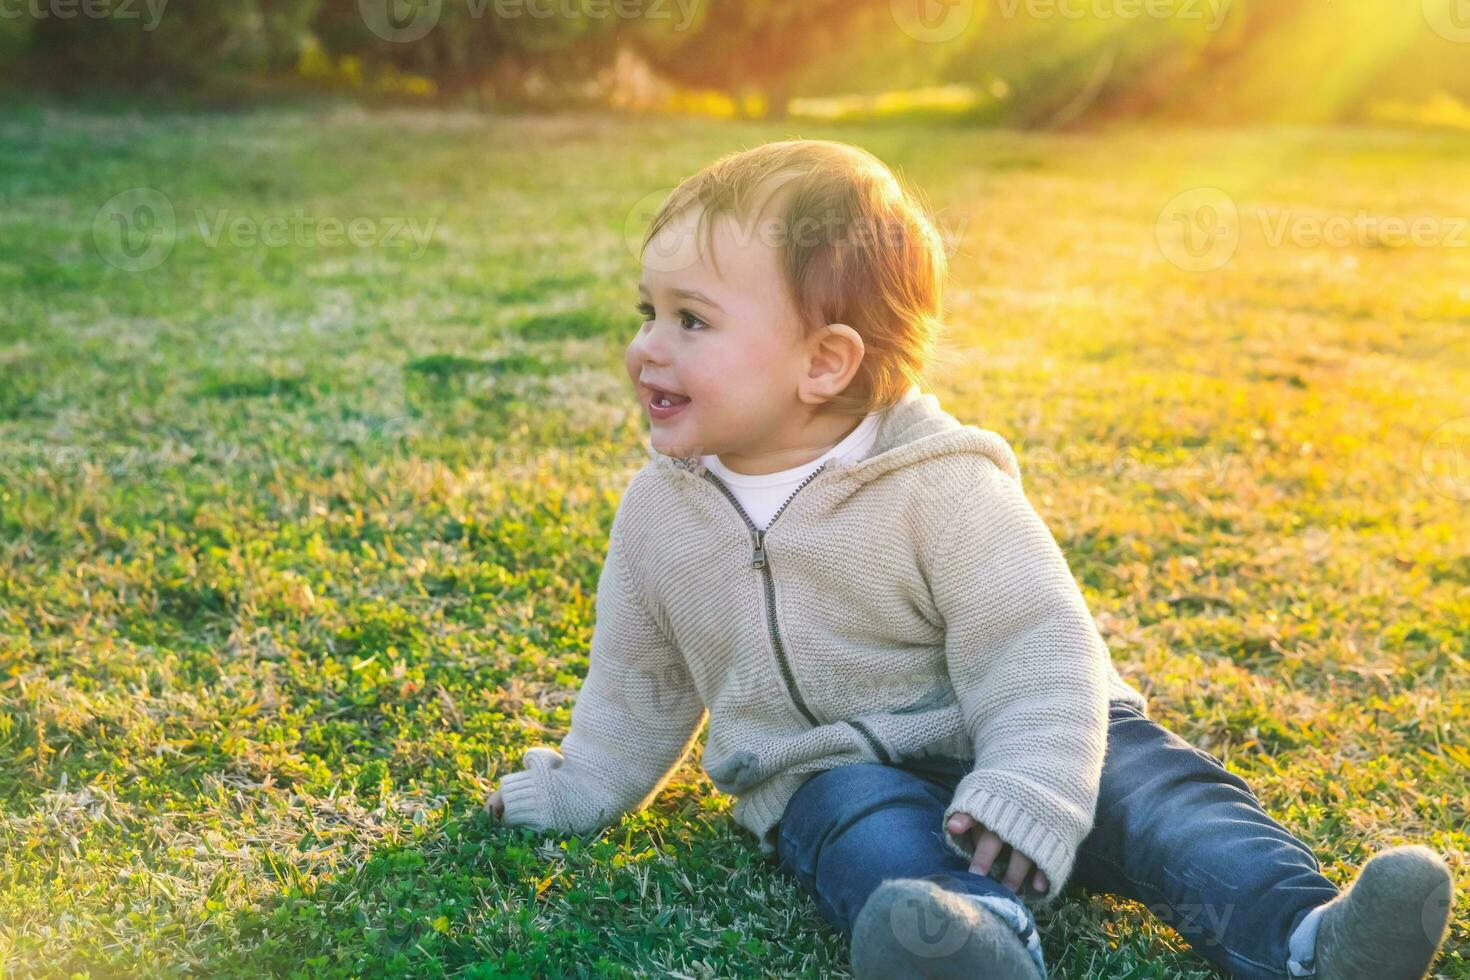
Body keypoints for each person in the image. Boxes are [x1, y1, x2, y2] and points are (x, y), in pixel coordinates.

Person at [485, 139, 1455, 979]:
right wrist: (581, 782)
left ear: (823, 362)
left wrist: (1032, 781)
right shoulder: (662, 512)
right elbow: (638, 678)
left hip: (1042, 730)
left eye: (689, 320)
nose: (646, 347)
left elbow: (1036, 643)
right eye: (645, 310)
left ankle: (1305, 929)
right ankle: (971, 942)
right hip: (825, 765)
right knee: (869, 838)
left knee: (1166, 801)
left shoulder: (943, 484)